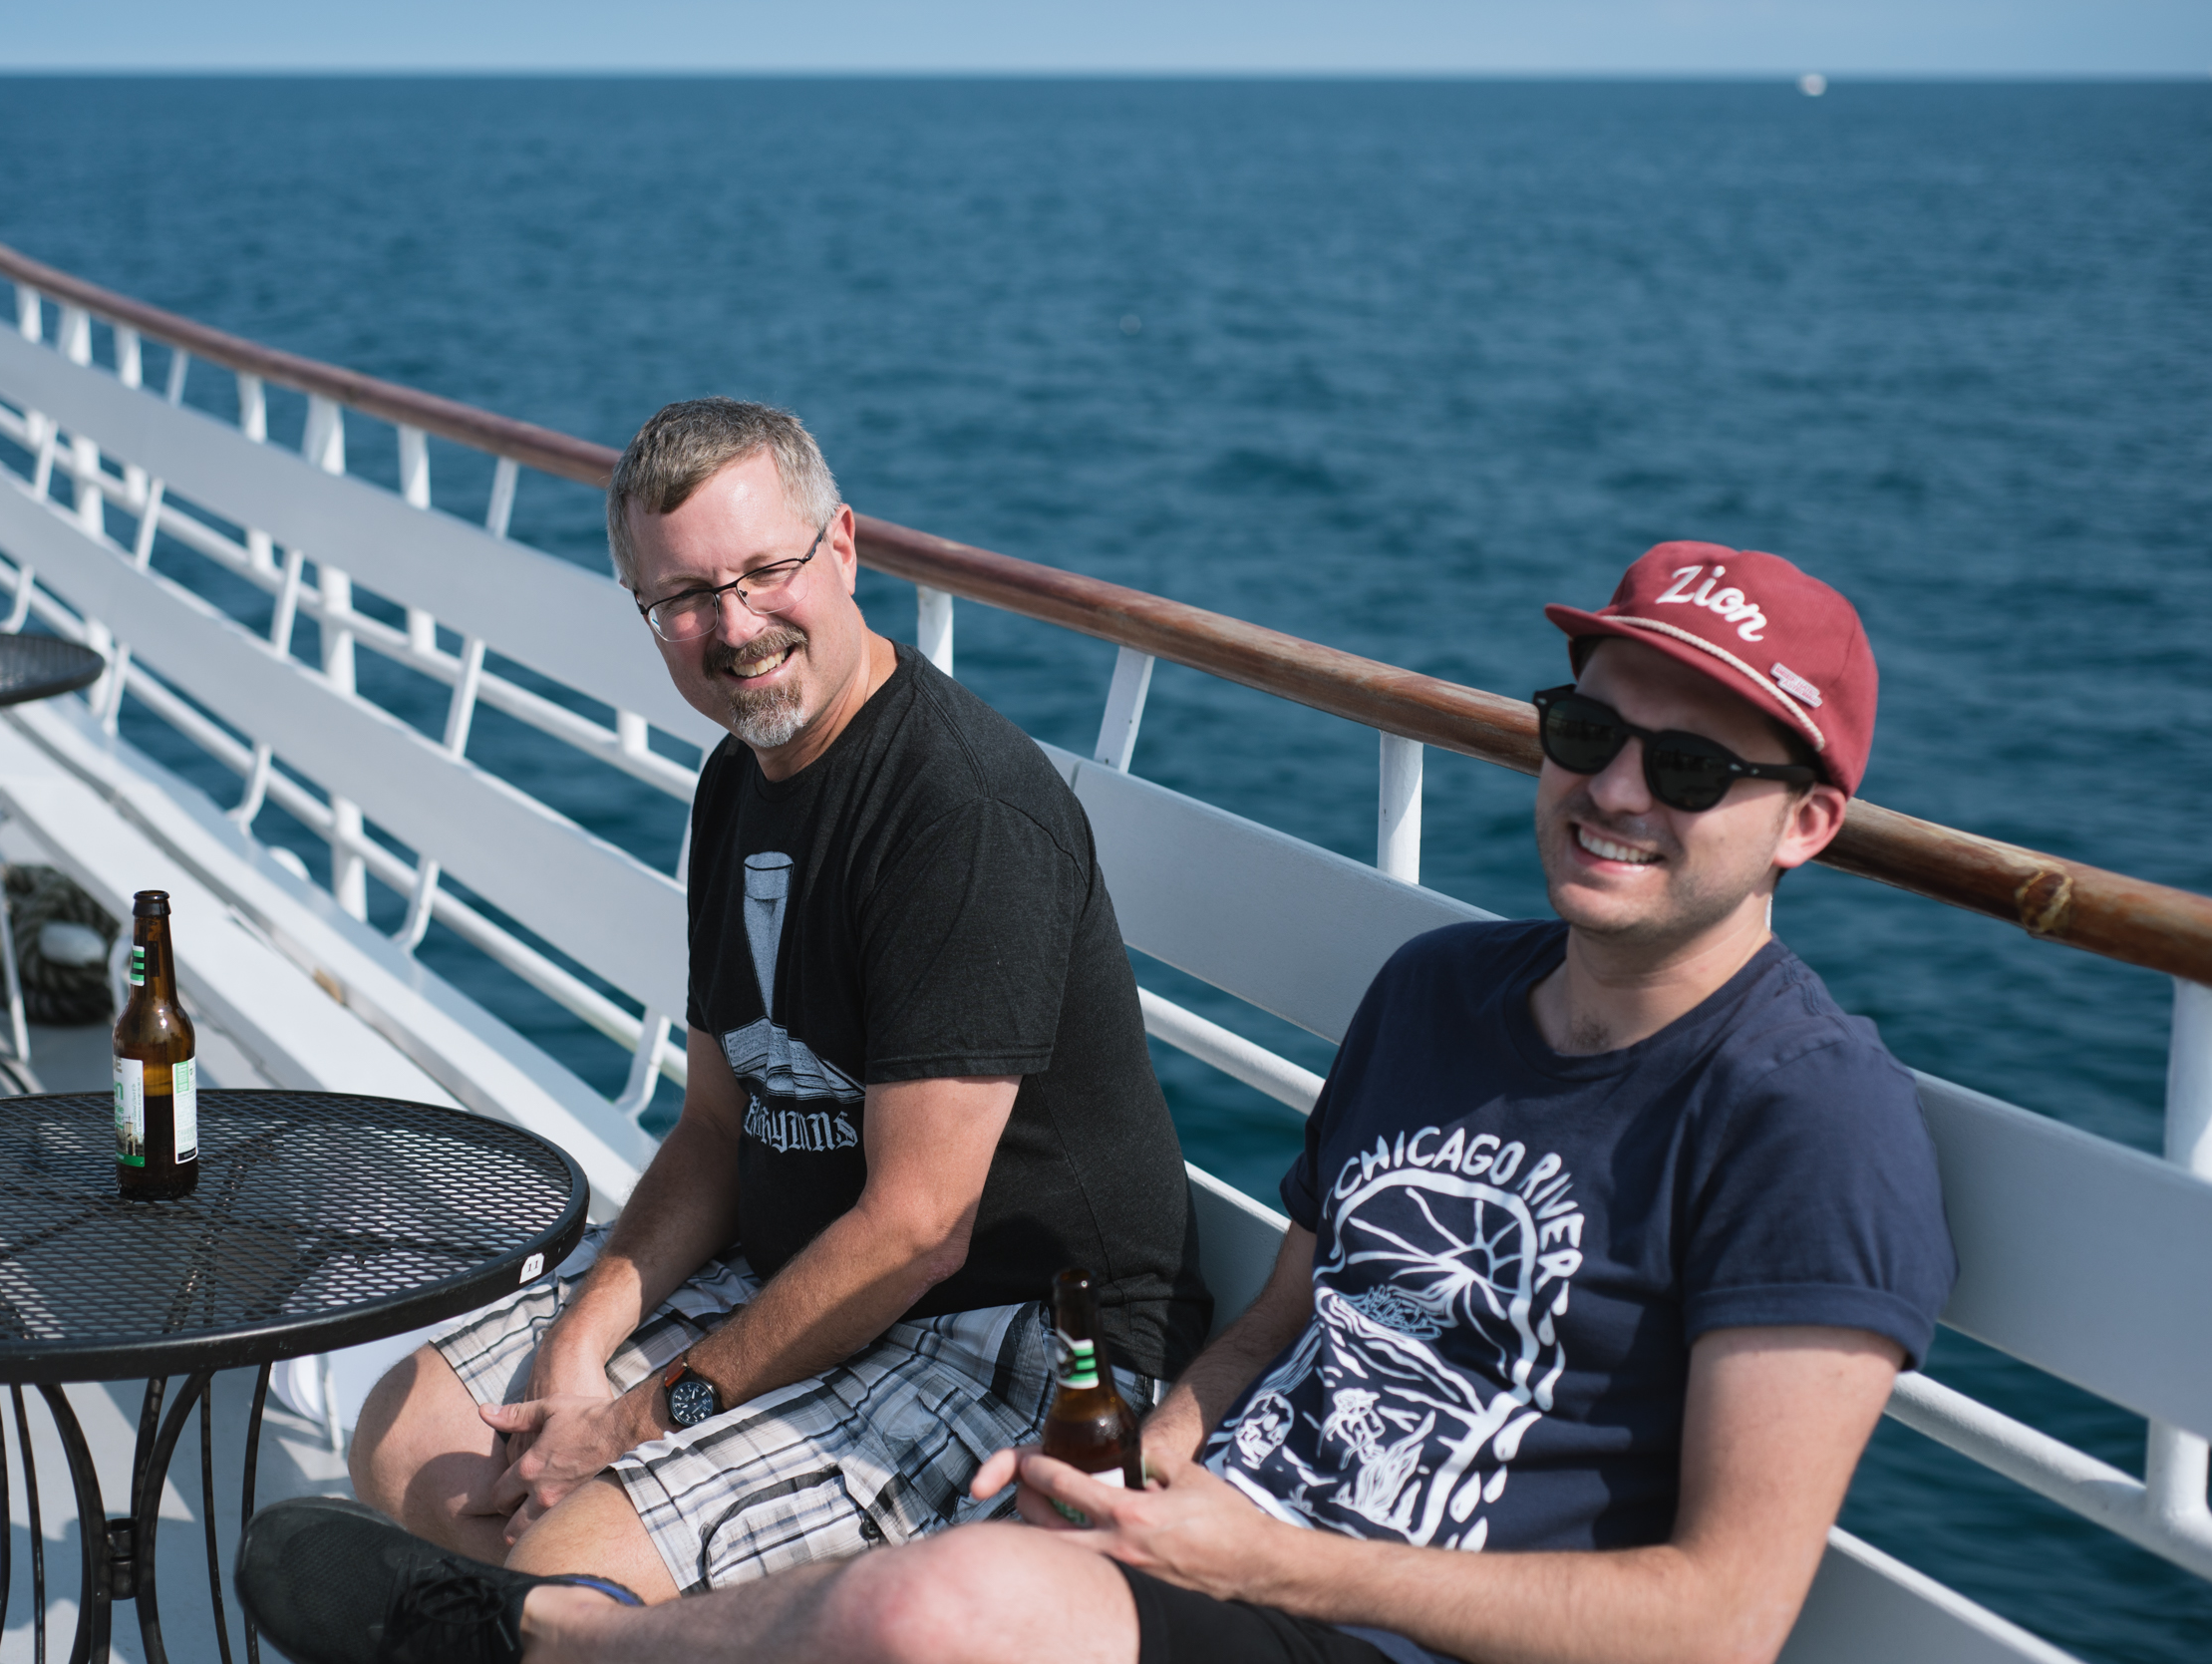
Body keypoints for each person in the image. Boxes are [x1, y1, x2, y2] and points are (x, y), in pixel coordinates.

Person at [241, 540, 1956, 1664]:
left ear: (1805, 823)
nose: (1615, 787)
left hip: (1376, 1619)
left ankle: (541, 1640)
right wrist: (1152, 1450)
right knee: (933, 1577)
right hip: (1190, 1539)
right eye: (1585, 729)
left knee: (943, 1608)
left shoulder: (1805, 1116)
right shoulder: (1441, 995)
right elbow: (1283, 1317)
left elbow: (1723, 1615)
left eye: (1692, 766)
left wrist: (1269, 1561)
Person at [344, 398, 1210, 1605]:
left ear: (841, 547)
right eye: (687, 597)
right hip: (793, 1269)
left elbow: (918, 1228)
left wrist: (637, 1423)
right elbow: (715, 1125)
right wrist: (577, 1350)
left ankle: (578, 1624)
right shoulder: (738, 780)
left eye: (765, 571)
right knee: (406, 1438)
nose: (737, 625)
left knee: (568, 1565)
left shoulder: (958, 815)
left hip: (1008, 1335)